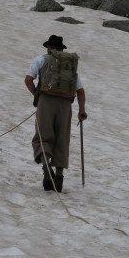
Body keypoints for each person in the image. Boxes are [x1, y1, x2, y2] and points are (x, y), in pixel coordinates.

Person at [24, 35, 87, 192]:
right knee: (61, 138)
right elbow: (80, 90)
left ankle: (47, 170)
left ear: (48, 47)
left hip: (46, 100)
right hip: (65, 104)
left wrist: (37, 96)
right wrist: (82, 110)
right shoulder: (69, 64)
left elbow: (28, 80)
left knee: (42, 137)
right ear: (61, 49)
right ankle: (59, 177)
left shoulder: (41, 60)